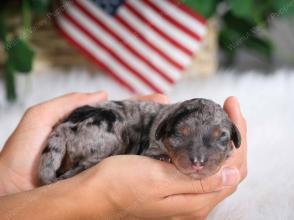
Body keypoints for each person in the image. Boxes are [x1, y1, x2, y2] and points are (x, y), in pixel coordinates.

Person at [0, 91, 247, 220]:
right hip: (96, 126)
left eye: (219, 139)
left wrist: (10, 187)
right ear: (162, 132)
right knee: (112, 135)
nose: (198, 158)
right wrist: (90, 197)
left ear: (234, 138)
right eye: (181, 137)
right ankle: (70, 178)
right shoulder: (156, 136)